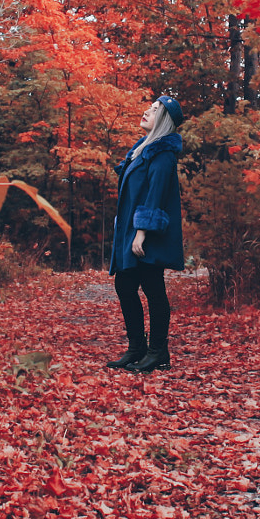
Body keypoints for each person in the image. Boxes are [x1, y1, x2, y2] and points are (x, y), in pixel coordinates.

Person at [106, 93, 184, 373]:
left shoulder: (162, 154)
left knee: (153, 289)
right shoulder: (142, 149)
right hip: (133, 230)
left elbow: (154, 195)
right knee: (125, 286)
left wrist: (141, 233)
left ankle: (158, 351)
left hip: (149, 233)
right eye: (149, 107)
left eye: (154, 110)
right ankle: (137, 349)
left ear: (163, 119)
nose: (146, 112)